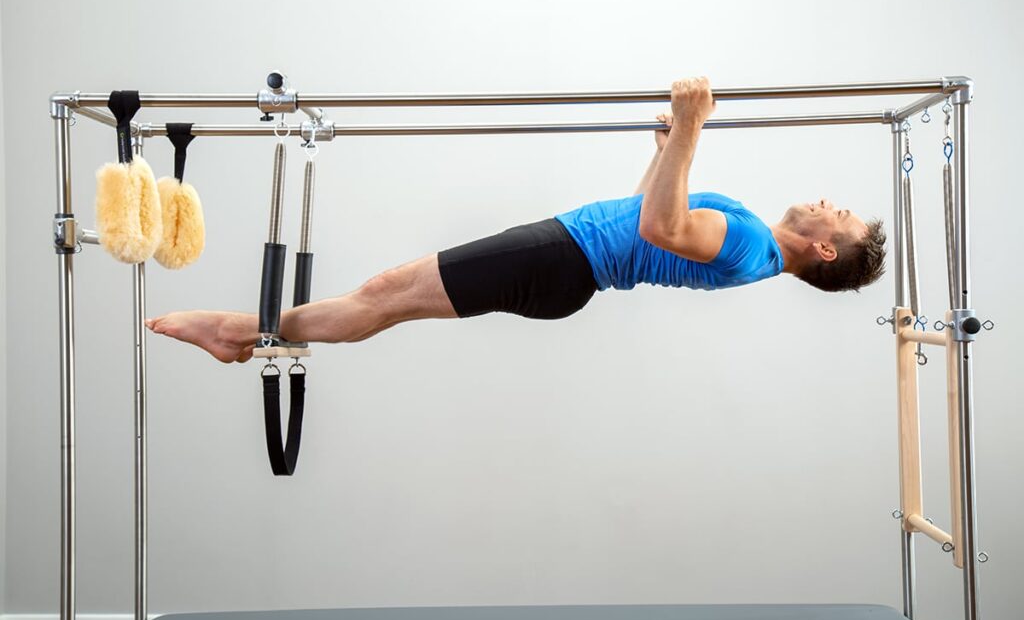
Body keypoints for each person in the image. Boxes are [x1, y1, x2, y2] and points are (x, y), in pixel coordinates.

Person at [146, 77, 886, 363]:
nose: (830, 202)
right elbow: (649, 215)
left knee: (386, 292)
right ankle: (249, 330)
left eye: (841, 216)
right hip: (566, 259)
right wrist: (669, 151)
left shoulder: (754, 244)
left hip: (562, 259)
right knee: (389, 296)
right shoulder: (754, 244)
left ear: (825, 250)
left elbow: (660, 230)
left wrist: (693, 124)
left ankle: (240, 330)